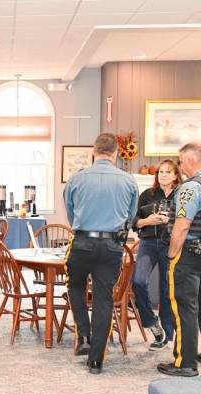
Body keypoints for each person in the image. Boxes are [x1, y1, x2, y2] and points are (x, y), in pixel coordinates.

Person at [63, 133, 139, 374]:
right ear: (115, 153)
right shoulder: (128, 181)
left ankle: (83, 336)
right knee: (103, 298)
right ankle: (96, 360)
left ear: (94, 152)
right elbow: (131, 215)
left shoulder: (76, 178)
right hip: (111, 246)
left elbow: (70, 213)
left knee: (75, 286)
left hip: (82, 242)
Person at [158, 142, 201, 377]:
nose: (180, 165)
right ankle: (191, 354)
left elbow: (182, 226)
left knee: (184, 308)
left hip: (189, 255)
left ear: (190, 161)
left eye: (181, 160)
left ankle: (185, 363)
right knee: (197, 308)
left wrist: (173, 254)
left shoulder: (189, 188)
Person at [132, 159, 181, 350]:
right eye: (161, 172)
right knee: (139, 281)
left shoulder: (181, 195)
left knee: (167, 289)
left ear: (176, 175)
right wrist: (148, 220)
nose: (164, 175)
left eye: (168, 172)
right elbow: (134, 221)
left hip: (172, 244)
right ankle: (153, 324)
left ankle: (167, 334)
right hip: (149, 243)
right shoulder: (147, 195)